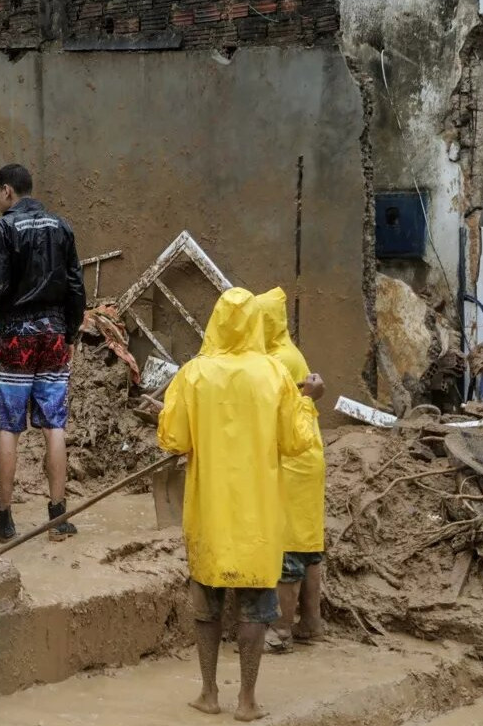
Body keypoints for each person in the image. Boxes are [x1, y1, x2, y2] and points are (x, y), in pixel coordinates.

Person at [158, 287, 323, 722]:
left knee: (206, 607)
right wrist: (308, 401)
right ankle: (247, 700)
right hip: (258, 520)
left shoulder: (193, 374)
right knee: (254, 608)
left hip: (209, 515)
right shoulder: (274, 375)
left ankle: (209, 693)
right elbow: (296, 442)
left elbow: (173, 440)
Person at [0, 164, 86, 543]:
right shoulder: (61, 226)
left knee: (9, 425)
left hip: (17, 335)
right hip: (55, 331)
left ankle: (5, 520)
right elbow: (76, 285)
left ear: (8, 190)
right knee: (54, 424)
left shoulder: (4, 228)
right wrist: (70, 331)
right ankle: (57, 517)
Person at [257, 288, 327, 653]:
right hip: (309, 458)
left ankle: (281, 630)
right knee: (309, 547)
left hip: (293, 463)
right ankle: (312, 624)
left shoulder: (276, 361)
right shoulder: (289, 352)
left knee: (287, 549)